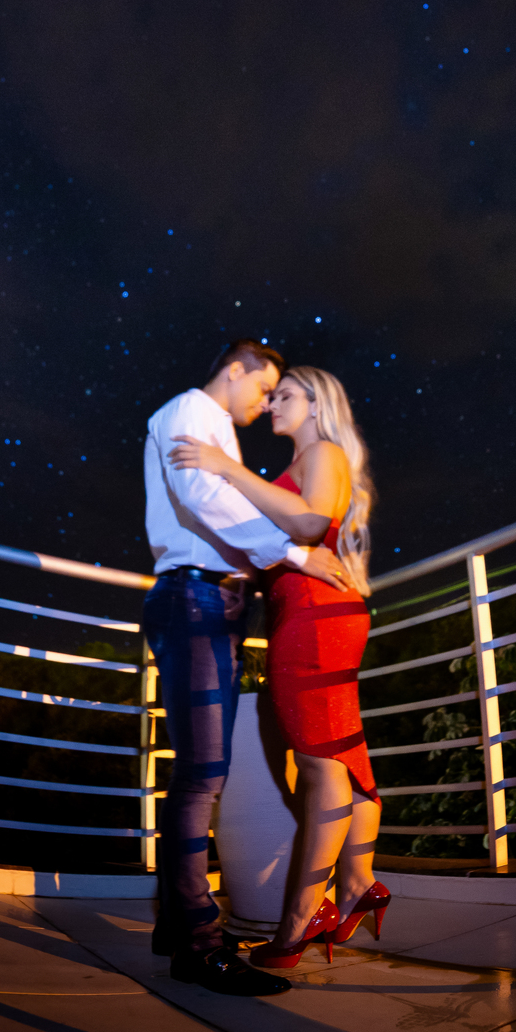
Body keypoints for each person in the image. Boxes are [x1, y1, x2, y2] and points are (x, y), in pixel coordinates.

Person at [141, 339, 346, 997]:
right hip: (195, 598)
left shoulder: (215, 427)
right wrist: (296, 554)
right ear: (237, 369)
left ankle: (178, 924)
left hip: (213, 602)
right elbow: (203, 496)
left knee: (201, 775)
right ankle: (198, 947)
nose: (264, 404)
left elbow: (226, 503)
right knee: (202, 776)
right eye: (263, 388)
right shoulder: (190, 412)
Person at [169, 365, 389, 971]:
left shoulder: (324, 453)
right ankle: (356, 884)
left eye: (285, 395)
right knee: (341, 756)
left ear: (317, 404)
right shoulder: (307, 460)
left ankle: (299, 922)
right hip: (308, 614)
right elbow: (275, 543)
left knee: (320, 766)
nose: (272, 405)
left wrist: (226, 467)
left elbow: (311, 522)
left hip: (316, 618)